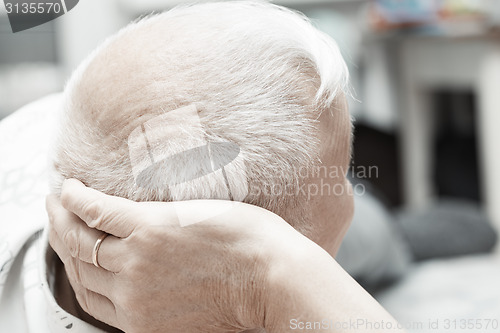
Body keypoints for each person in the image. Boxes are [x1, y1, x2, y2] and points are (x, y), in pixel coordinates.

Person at [0, 1, 403, 332]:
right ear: (208, 269)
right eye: (339, 178)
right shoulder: (272, 262)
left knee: (377, 229)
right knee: (388, 237)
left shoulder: (48, 126)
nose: (346, 193)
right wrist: (274, 275)